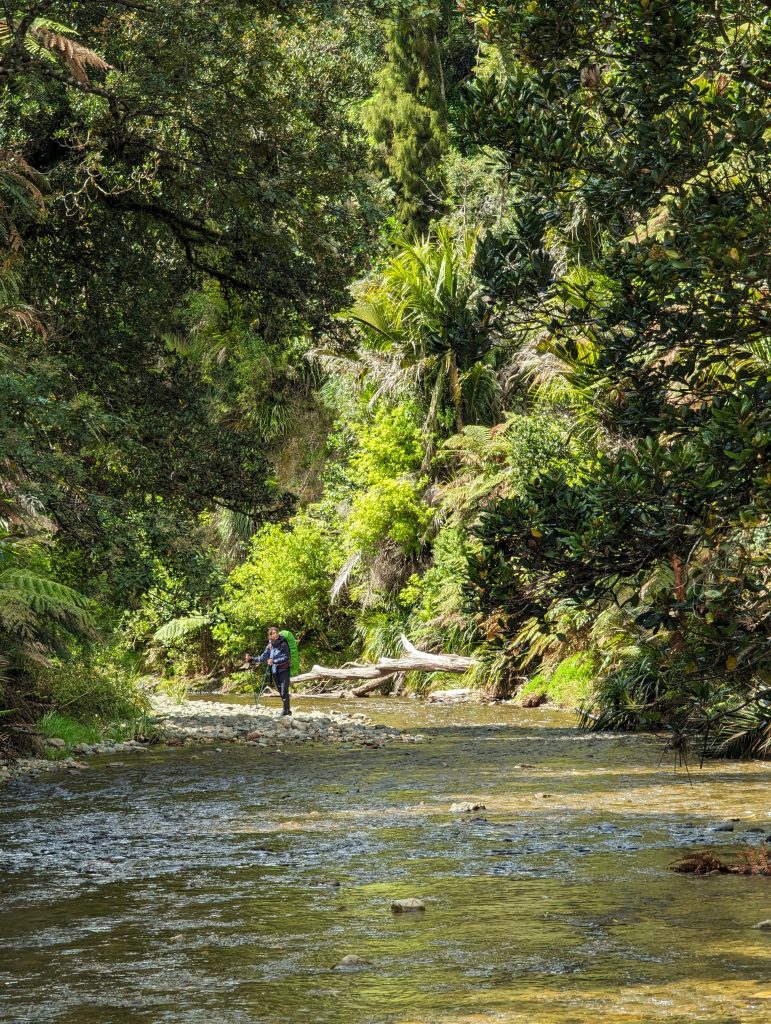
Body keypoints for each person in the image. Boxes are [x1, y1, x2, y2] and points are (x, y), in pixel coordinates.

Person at [246, 626, 292, 716]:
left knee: (284, 691)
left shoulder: (283, 644)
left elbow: (286, 658)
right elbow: (263, 658)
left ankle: (286, 710)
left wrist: (274, 661)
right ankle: (287, 710)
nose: (275, 635)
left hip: (284, 669)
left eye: (276, 633)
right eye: (273, 633)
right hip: (274, 671)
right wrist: (251, 659)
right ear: (270, 636)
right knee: (280, 691)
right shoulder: (270, 646)